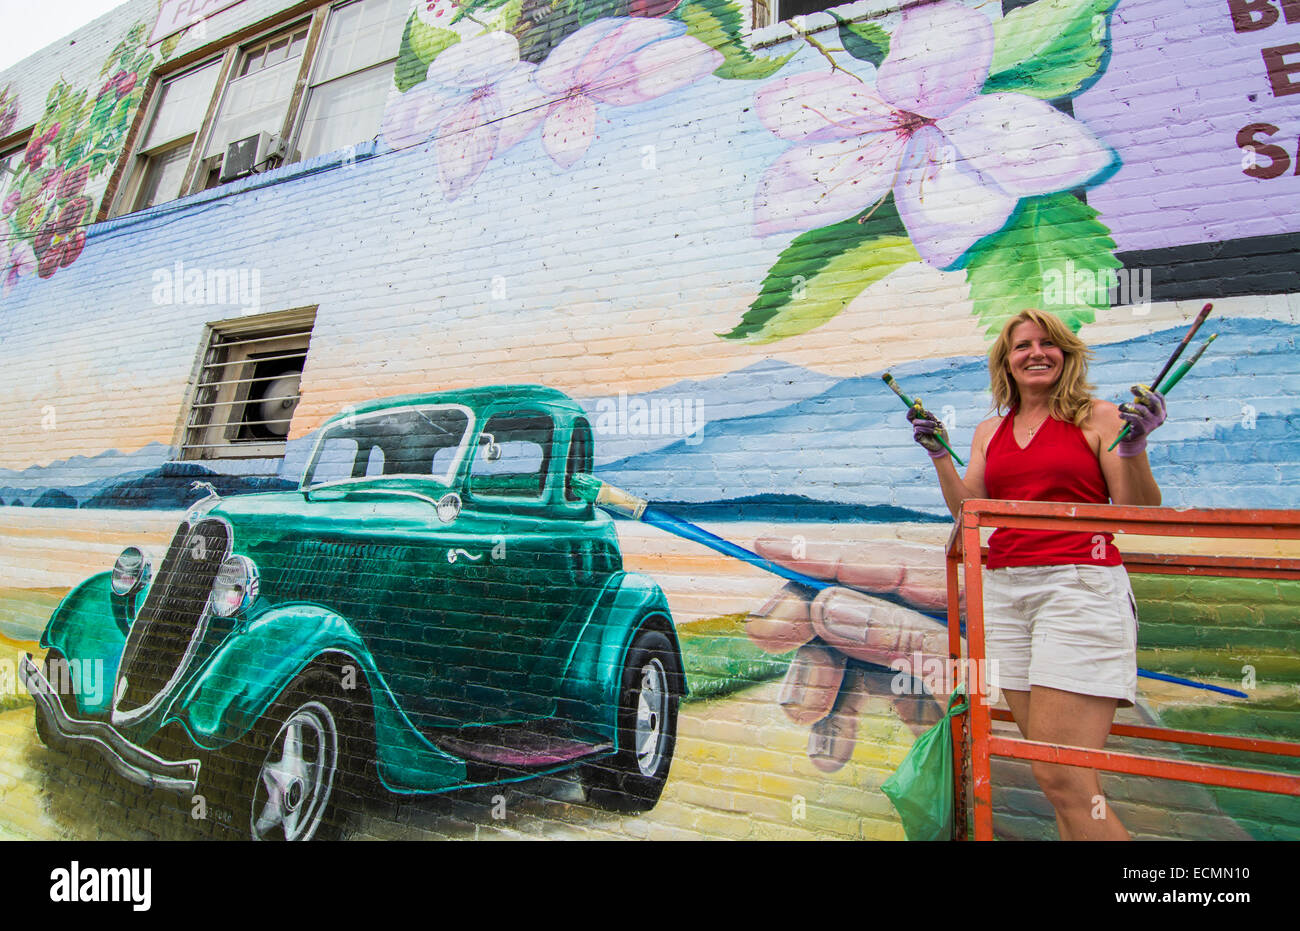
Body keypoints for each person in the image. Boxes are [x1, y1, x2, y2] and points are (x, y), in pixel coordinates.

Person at [907, 308, 1165, 841]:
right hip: (1003, 594)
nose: (1035, 353)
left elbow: (1138, 509)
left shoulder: (1099, 418)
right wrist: (939, 458)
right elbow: (971, 512)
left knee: (1061, 774)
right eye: (1022, 346)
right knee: (1061, 780)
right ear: (1007, 362)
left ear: (1067, 355)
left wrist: (1135, 448)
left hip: (1078, 588)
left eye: (1048, 344)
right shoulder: (989, 430)